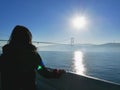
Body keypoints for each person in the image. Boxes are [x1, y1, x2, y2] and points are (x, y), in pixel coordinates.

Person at [0, 25, 65, 90]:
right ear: (28, 38)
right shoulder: (33, 55)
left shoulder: (4, 56)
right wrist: (56, 73)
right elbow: (42, 70)